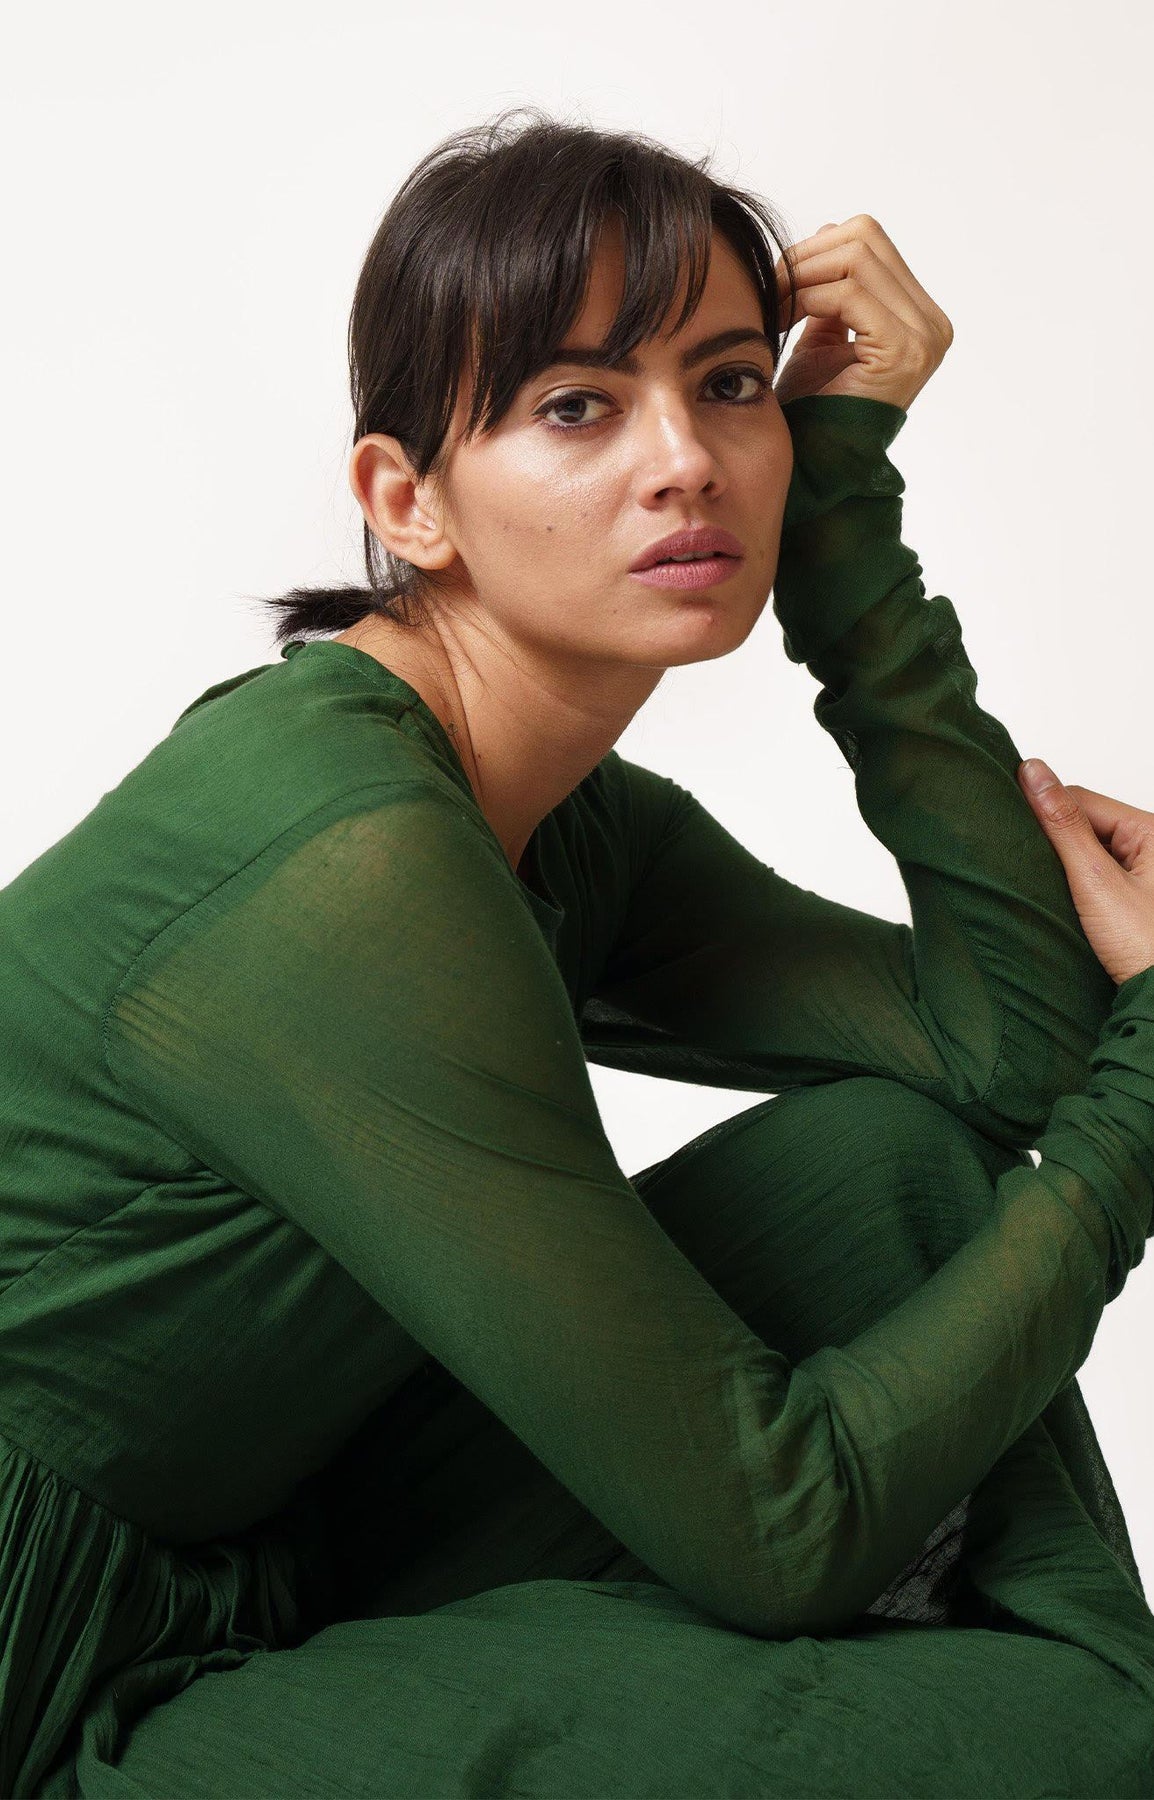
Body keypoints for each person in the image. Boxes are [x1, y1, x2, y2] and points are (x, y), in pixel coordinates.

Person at [2, 104, 1153, 1799]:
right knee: (1074, 1737)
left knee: (893, 1172)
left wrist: (843, 527)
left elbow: (1006, 1059)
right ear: (407, 500)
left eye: (732, 385)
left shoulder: (566, 817)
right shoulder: (344, 860)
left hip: (278, 1534)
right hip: (44, 1660)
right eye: (574, 406)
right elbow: (780, 1528)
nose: (684, 460)